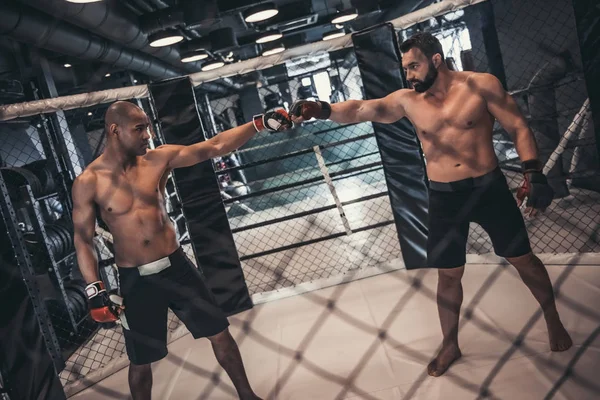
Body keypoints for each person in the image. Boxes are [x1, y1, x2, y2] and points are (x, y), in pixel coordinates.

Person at [288, 32, 572, 377]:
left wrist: (533, 172)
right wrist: (323, 109)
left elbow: (517, 126)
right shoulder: (409, 101)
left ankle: (553, 320)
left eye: (414, 66)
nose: (409, 75)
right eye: (405, 68)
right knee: (448, 274)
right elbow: (364, 109)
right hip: (444, 197)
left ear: (436, 60)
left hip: (488, 189)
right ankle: (450, 343)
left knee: (522, 260)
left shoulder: (480, 85)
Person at [72, 100, 291, 400]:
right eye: (139, 129)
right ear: (115, 131)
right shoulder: (88, 181)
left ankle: (247, 396)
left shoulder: (158, 159)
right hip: (135, 280)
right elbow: (82, 238)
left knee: (220, 335)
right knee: (140, 362)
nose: (148, 135)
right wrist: (94, 289)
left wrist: (258, 124)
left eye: (147, 127)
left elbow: (214, 146)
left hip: (177, 268)